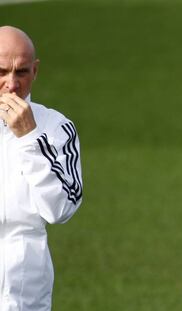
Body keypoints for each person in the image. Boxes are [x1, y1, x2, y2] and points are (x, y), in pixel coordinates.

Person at [0, 26, 82, 311]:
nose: (11, 84)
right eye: (1, 72)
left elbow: (60, 209)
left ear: (35, 71)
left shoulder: (56, 127)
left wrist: (29, 139)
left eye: (21, 72)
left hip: (24, 295)